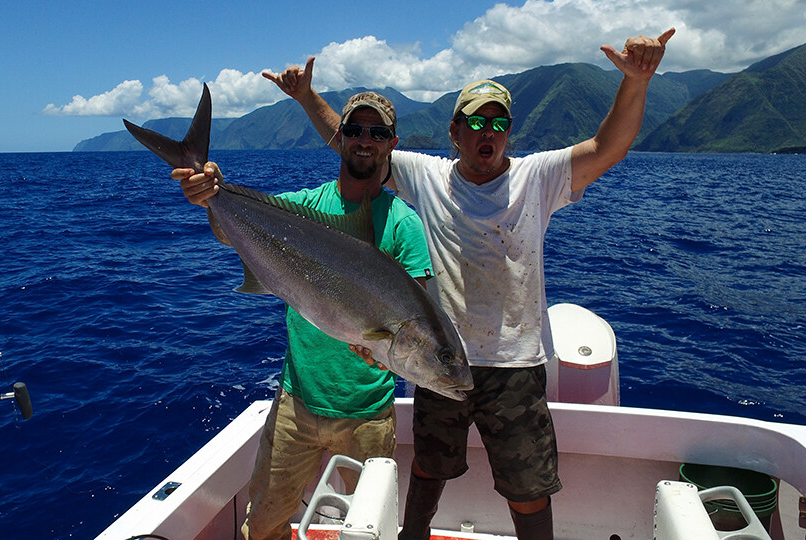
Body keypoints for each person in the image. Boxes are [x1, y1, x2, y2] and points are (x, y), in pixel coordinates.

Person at [261, 29, 675, 540]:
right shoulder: (426, 175)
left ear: (508, 132)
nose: (488, 131)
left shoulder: (538, 177)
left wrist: (635, 82)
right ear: (455, 131)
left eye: (498, 122)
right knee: (427, 474)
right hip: (442, 358)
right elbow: (356, 145)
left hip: (516, 366)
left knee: (529, 490)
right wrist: (307, 98)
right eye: (476, 121)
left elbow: (608, 147)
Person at [175, 91, 433, 540]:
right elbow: (229, 232)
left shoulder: (404, 225)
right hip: (296, 404)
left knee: (370, 530)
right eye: (354, 130)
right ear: (341, 137)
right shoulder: (305, 208)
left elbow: (418, 316)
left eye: (377, 132)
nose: (364, 140)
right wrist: (210, 194)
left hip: (368, 416)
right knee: (264, 527)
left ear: (392, 142)